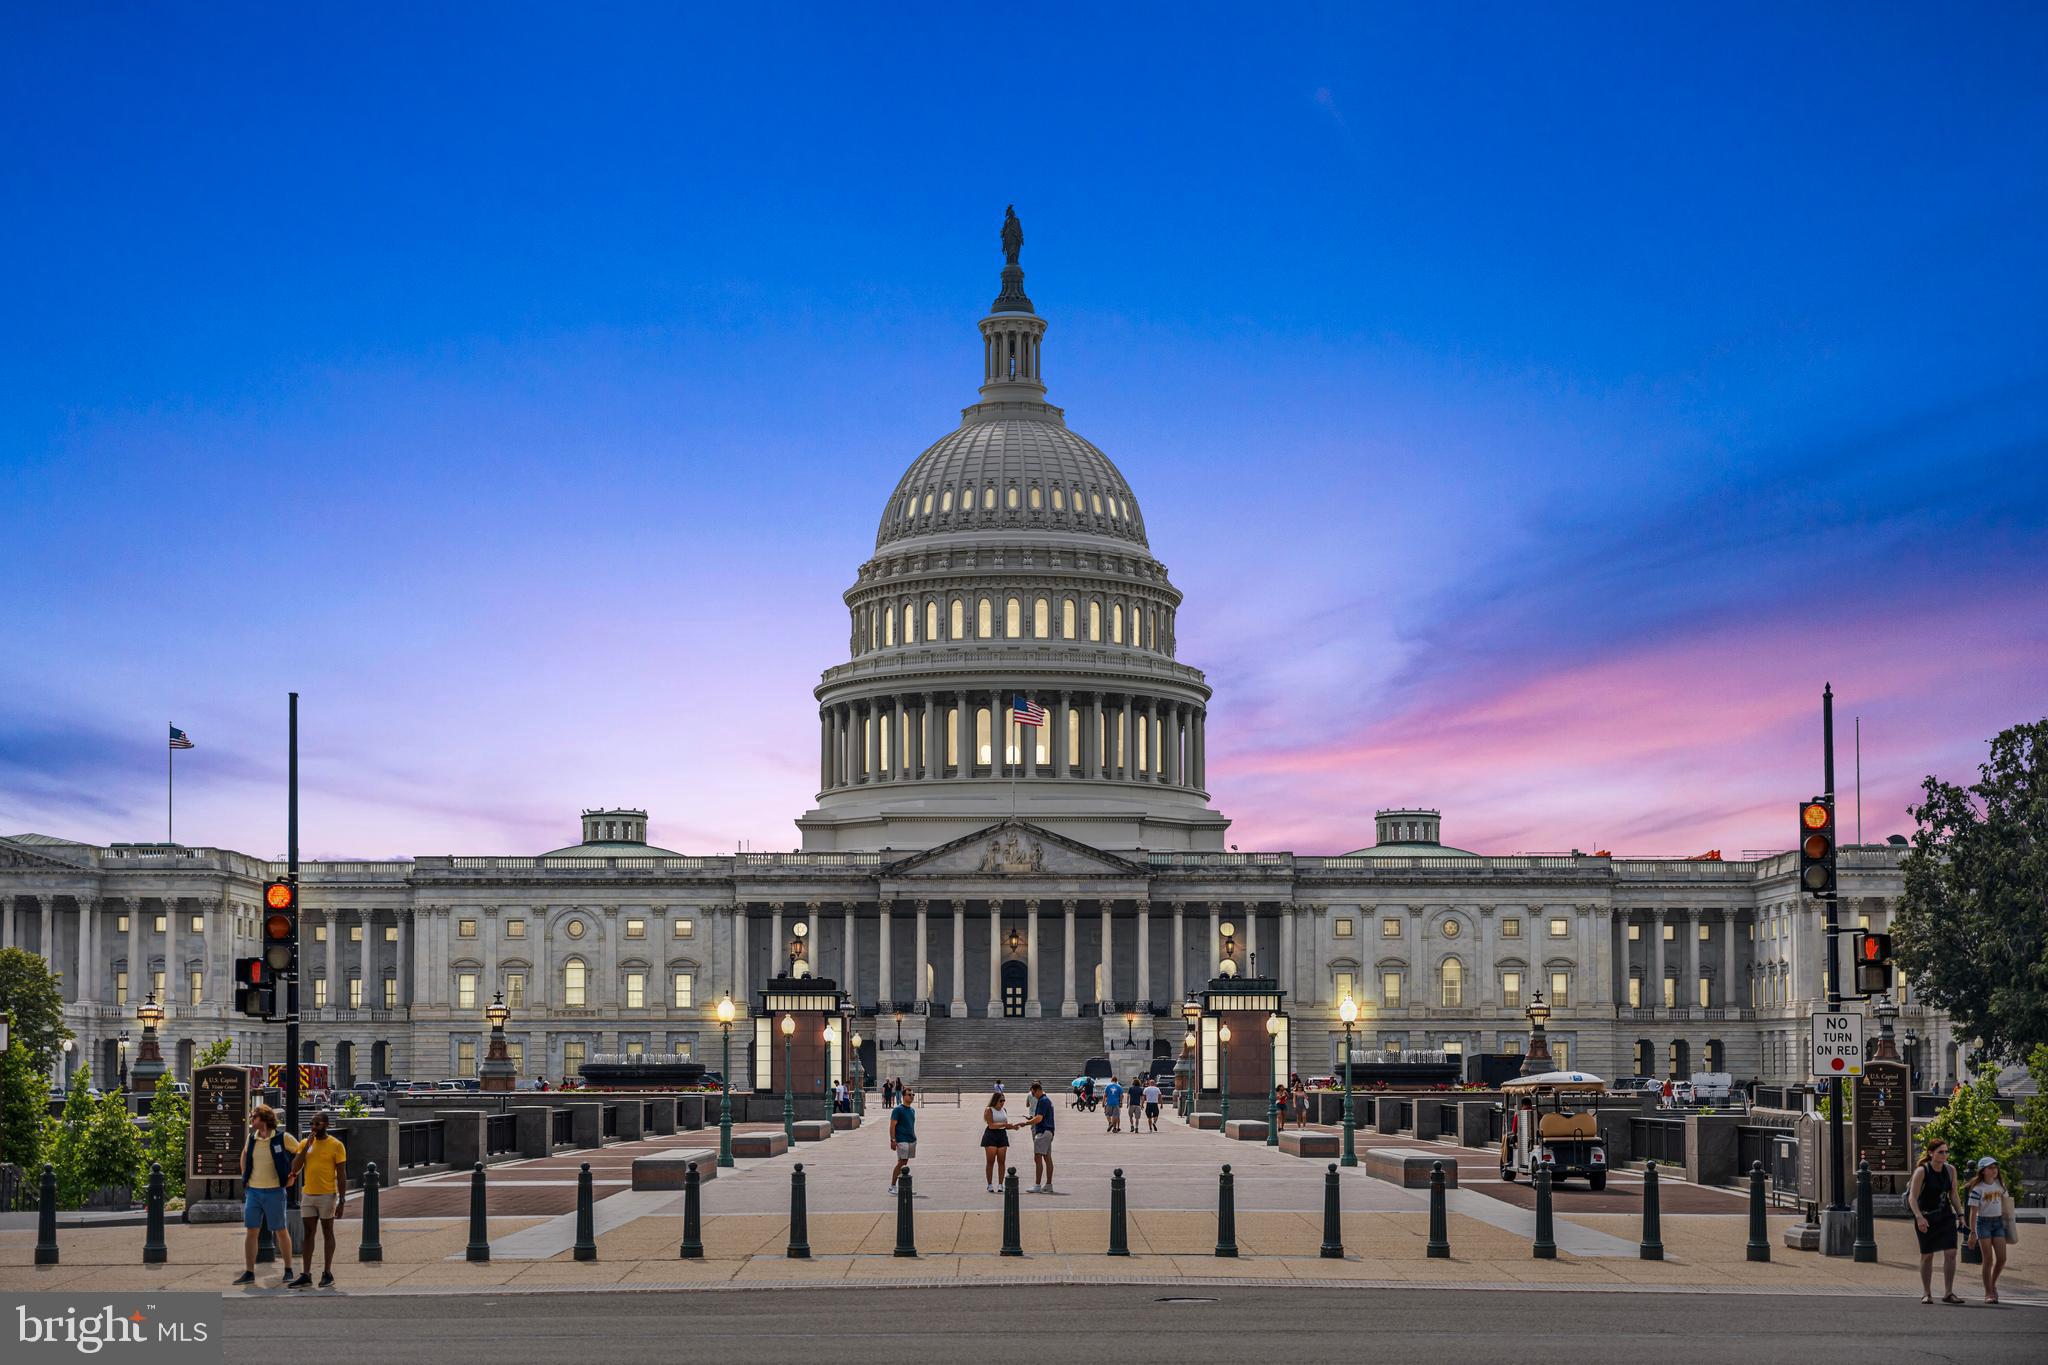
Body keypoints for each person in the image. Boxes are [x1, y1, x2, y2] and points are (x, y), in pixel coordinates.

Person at [232, 1104, 301, 1287]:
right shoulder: (252, 1138)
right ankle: (249, 1271)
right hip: (254, 1190)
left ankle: (288, 1269)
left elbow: (301, 1153)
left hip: (274, 1191)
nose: (251, 1120)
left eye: (254, 1117)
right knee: (251, 1230)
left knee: (280, 1230)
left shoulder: (282, 1138)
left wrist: (293, 1175)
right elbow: (244, 1155)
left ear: (263, 1119)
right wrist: (244, 1175)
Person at [288, 1111, 348, 1288]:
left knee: (327, 1231)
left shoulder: (336, 1145)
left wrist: (341, 1200)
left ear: (326, 1125)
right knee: (308, 1233)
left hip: (327, 1195)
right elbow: (295, 1168)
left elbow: (342, 1174)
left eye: (318, 1124)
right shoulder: (305, 1143)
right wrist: (306, 1148)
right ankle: (306, 1274)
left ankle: (327, 1272)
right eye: (312, 1124)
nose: (314, 1127)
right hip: (308, 1194)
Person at [1909, 1136, 1965, 1304]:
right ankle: (1927, 1292)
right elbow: (1912, 1198)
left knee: (1951, 1252)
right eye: (1941, 1152)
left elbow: (1953, 1194)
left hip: (1945, 1216)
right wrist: (1919, 1217)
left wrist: (1960, 1215)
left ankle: (1948, 1292)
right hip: (1926, 1217)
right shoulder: (1922, 1171)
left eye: (1946, 1152)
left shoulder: (1950, 1170)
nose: (1944, 1155)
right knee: (1927, 1255)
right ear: (1931, 1153)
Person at [1965, 1155, 2012, 1304]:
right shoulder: (1977, 1189)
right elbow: (1973, 1212)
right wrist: (1972, 1233)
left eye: (1995, 1167)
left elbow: (2007, 1204)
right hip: (1983, 1223)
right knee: (1988, 1259)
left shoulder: (2000, 1185)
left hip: (1998, 1223)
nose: (1994, 1170)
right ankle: (1988, 1292)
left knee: (2002, 1258)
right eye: (1990, 1167)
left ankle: (1992, 1284)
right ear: (1983, 1171)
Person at [1023, 1081, 1056, 1193]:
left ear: (1037, 1090)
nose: (1033, 1096)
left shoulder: (1042, 1101)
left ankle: (1037, 1185)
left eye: (1033, 1094)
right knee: (1047, 1158)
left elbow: (1039, 1118)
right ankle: (1048, 1184)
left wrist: (1026, 1123)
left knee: (1037, 1158)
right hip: (1049, 1131)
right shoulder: (1047, 1100)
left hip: (1042, 1131)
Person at [980, 1089, 1014, 1192]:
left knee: (1001, 1161)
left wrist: (1013, 1126)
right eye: (1001, 1101)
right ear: (995, 1100)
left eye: (1004, 1100)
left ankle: (1000, 1184)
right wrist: (1004, 1125)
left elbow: (1006, 1124)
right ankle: (989, 1184)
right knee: (990, 1161)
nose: (1003, 1103)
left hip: (1002, 1134)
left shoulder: (1004, 1110)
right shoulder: (989, 1109)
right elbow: (991, 1125)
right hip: (991, 1135)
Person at [888, 1085, 917, 1195]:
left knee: (904, 1162)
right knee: (901, 1162)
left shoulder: (912, 1110)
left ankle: (904, 1186)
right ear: (903, 1096)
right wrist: (892, 1140)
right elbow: (892, 1126)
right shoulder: (898, 1110)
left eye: (913, 1095)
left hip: (911, 1139)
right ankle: (892, 1186)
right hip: (901, 1140)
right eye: (909, 1095)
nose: (912, 1097)